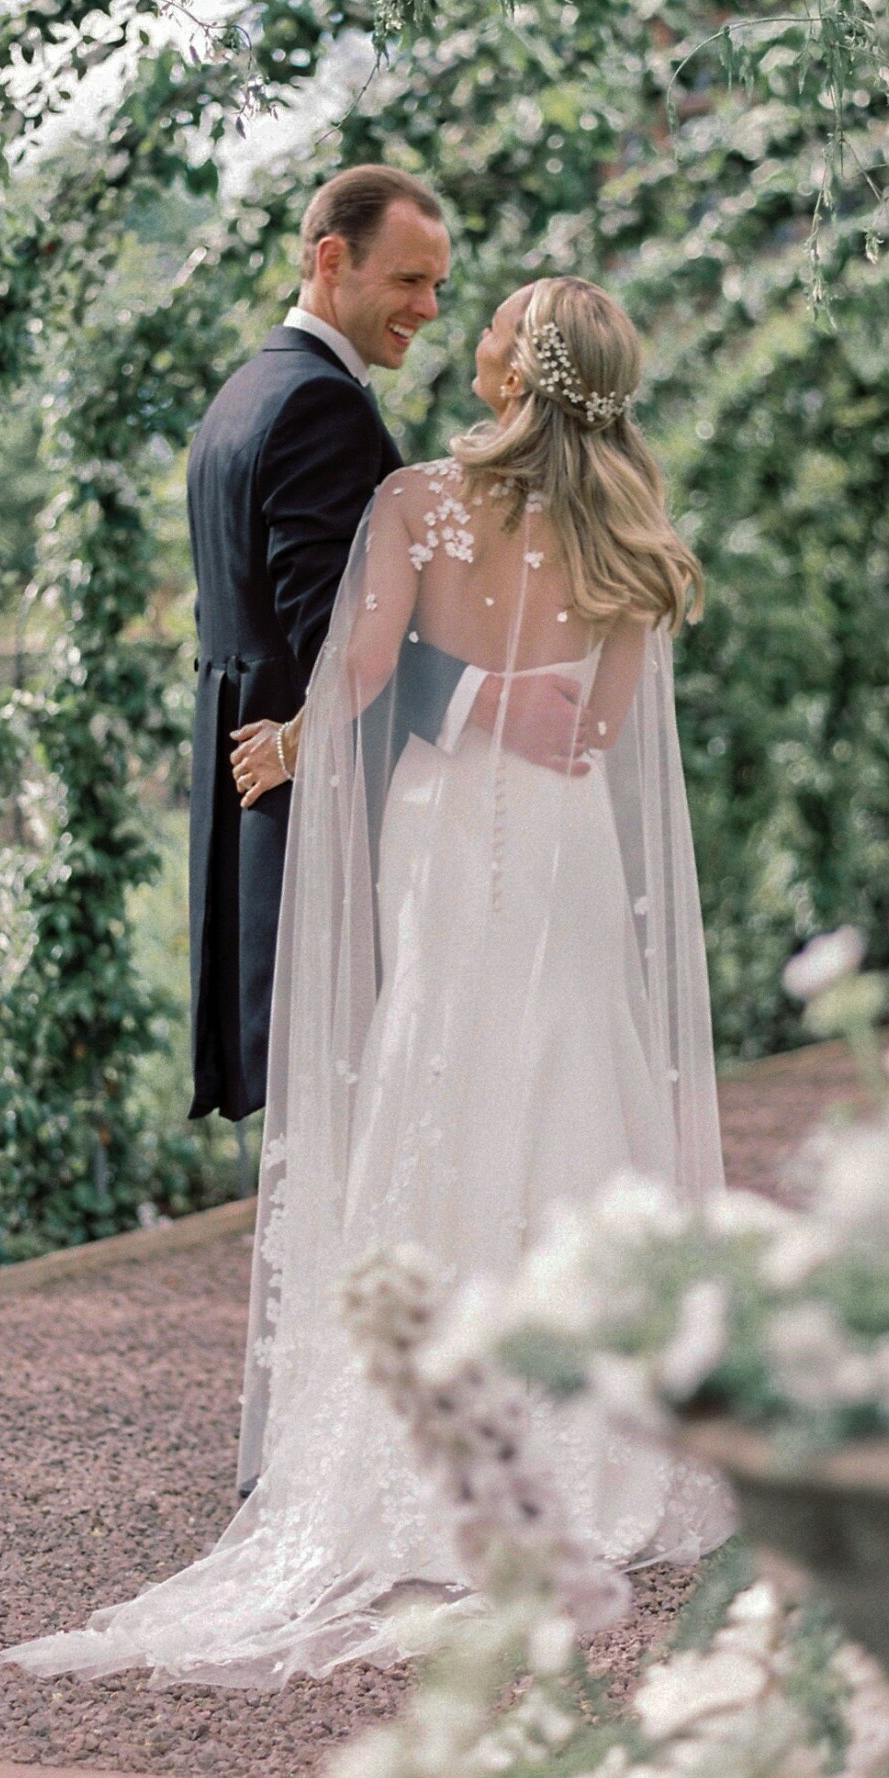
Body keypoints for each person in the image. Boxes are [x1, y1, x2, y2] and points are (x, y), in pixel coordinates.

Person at [11, 276, 728, 1689]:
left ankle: (425, 1423)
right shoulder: (632, 537)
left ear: (509, 369)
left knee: (440, 1071)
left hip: (448, 834)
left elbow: (355, 673)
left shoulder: (415, 503)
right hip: (564, 844)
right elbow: (598, 729)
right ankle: (587, 1415)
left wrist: (282, 741)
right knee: (573, 1071)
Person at [180, 163, 588, 1127]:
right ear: (333, 259)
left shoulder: (248, 390)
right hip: (314, 808)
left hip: (260, 808)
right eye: (409, 280)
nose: (430, 307)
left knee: (330, 1125)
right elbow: (333, 636)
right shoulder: (321, 404)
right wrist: (491, 700)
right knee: (357, 1110)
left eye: (440, 284)